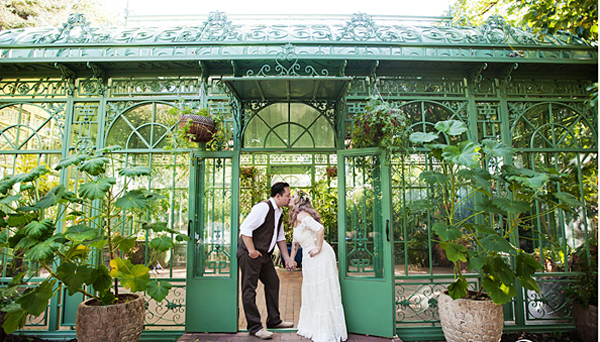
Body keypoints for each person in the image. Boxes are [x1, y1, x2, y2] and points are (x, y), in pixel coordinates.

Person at [237, 182, 295, 340]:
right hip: (250, 254)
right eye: (288, 195)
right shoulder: (263, 207)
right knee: (249, 289)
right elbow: (245, 229)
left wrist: (287, 259)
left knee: (273, 283)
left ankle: (274, 321)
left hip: (264, 255)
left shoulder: (279, 211)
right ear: (278, 196)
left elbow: (280, 237)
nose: (290, 198)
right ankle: (255, 327)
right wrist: (251, 251)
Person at [288, 190, 347, 342]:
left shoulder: (302, 216)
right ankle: (313, 326)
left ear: (299, 201)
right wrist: (291, 259)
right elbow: (295, 241)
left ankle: (326, 330)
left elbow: (320, 229)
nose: (289, 198)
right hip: (309, 258)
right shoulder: (295, 217)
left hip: (320, 256)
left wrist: (318, 247)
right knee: (312, 290)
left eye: (292, 197)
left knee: (322, 291)